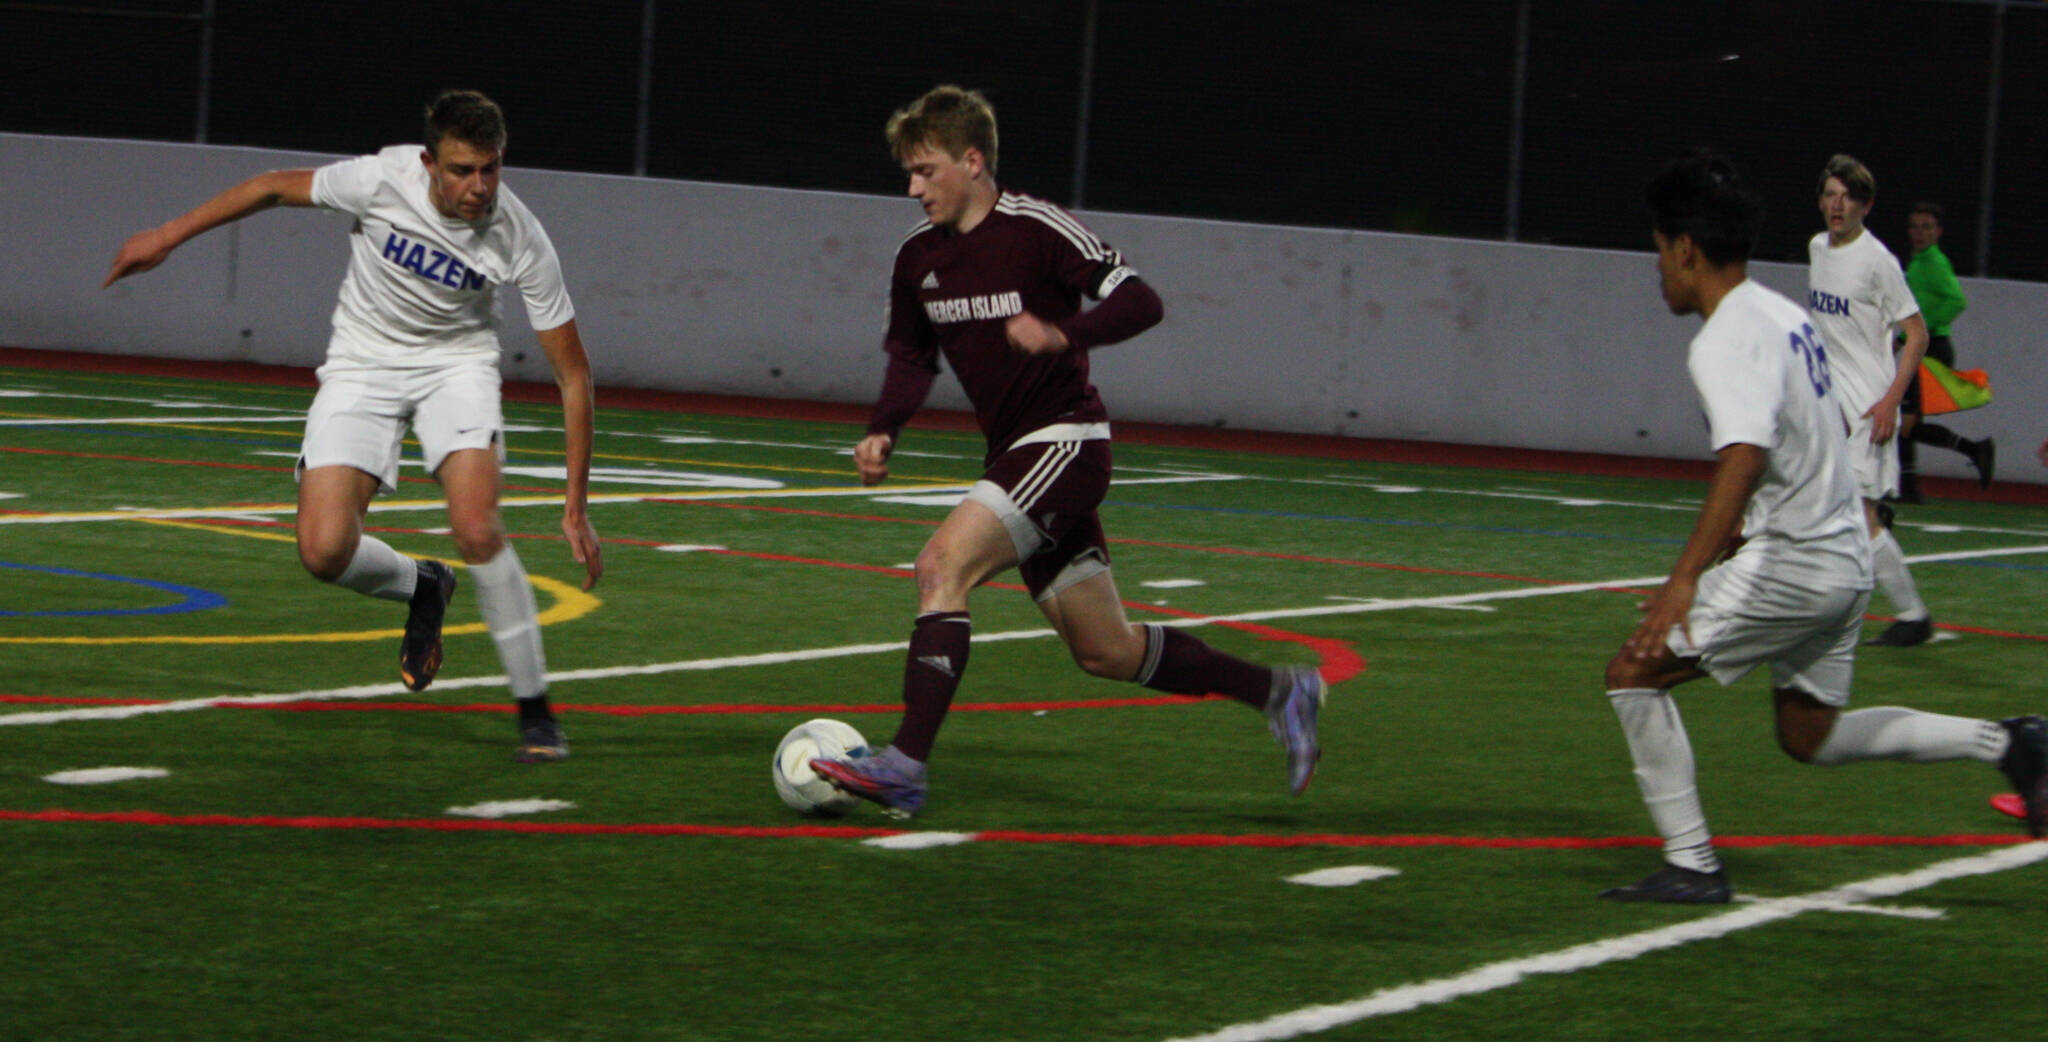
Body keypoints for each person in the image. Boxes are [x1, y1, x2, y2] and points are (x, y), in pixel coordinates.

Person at [808, 85, 1325, 818]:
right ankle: (1279, 690)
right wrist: (885, 427)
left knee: (940, 565)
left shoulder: (1037, 228)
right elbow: (911, 356)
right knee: (1105, 651)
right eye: (909, 174)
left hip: (1066, 442)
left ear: (972, 160)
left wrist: (1065, 334)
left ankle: (904, 767)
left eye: (926, 170)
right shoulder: (917, 257)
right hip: (1017, 456)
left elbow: (1141, 300)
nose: (913, 187)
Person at [1598, 149, 2046, 905]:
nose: (1659, 271)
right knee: (1810, 735)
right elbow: (1798, 437)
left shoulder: (1721, 339)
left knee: (1632, 674)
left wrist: (1684, 583)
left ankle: (1693, 863)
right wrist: (1740, 540)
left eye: (1658, 252)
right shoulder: (1782, 311)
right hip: (1843, 561)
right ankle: (2012, 742)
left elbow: (1744, 454)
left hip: (1798, 565)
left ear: (1686, 248)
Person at [104, 89, 602, 763]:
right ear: (428, 162)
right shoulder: (379, 179)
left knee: (478, 527)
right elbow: (273, 187)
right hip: (363, 364)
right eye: (461, 170)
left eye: (490, 168)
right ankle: (424, 585)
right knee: (323, 549)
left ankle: (536, 711)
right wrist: (167, 236)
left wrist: (576, 504)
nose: (478, 186)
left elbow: (574, 376)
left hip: (456, 369)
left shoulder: (519, 236)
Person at [1806, 155, 1936, 648]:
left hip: (1868, 408)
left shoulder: (1879, 261)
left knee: (1860, 518)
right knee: (1823, 507)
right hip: (1830, 406)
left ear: (1866, 206)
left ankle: (1914, 616)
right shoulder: (1817, 247)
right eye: (1830, 195)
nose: (1837, 206)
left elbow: (1917, 334)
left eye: (1848, 198)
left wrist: (1890, 403)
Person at [1895, 201, 1994, 502]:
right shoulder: (1919, 261)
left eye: (1926, 227)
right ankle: (1911, 486)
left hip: (1932, 348)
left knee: (1906, 423)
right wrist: (1905, 336)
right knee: (1908, 422)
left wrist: (1919, 329)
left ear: (1938, 232)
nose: (1919, 233)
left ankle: (1912, 485)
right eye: (1915, 227)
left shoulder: (1933, 262)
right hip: (1925, 344)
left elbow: (1956, 301)